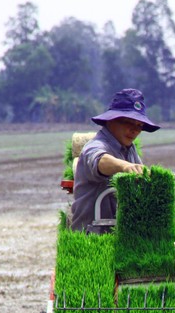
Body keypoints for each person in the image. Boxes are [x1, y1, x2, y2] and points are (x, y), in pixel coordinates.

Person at [69, 88, 161, 231]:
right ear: (111, 120)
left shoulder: (129, 149)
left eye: (139, 125)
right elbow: (99, 160)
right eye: (129, 122)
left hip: (119, 232)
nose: (135, 130)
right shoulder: (95, 146)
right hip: (91, 234)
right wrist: (124, 166)